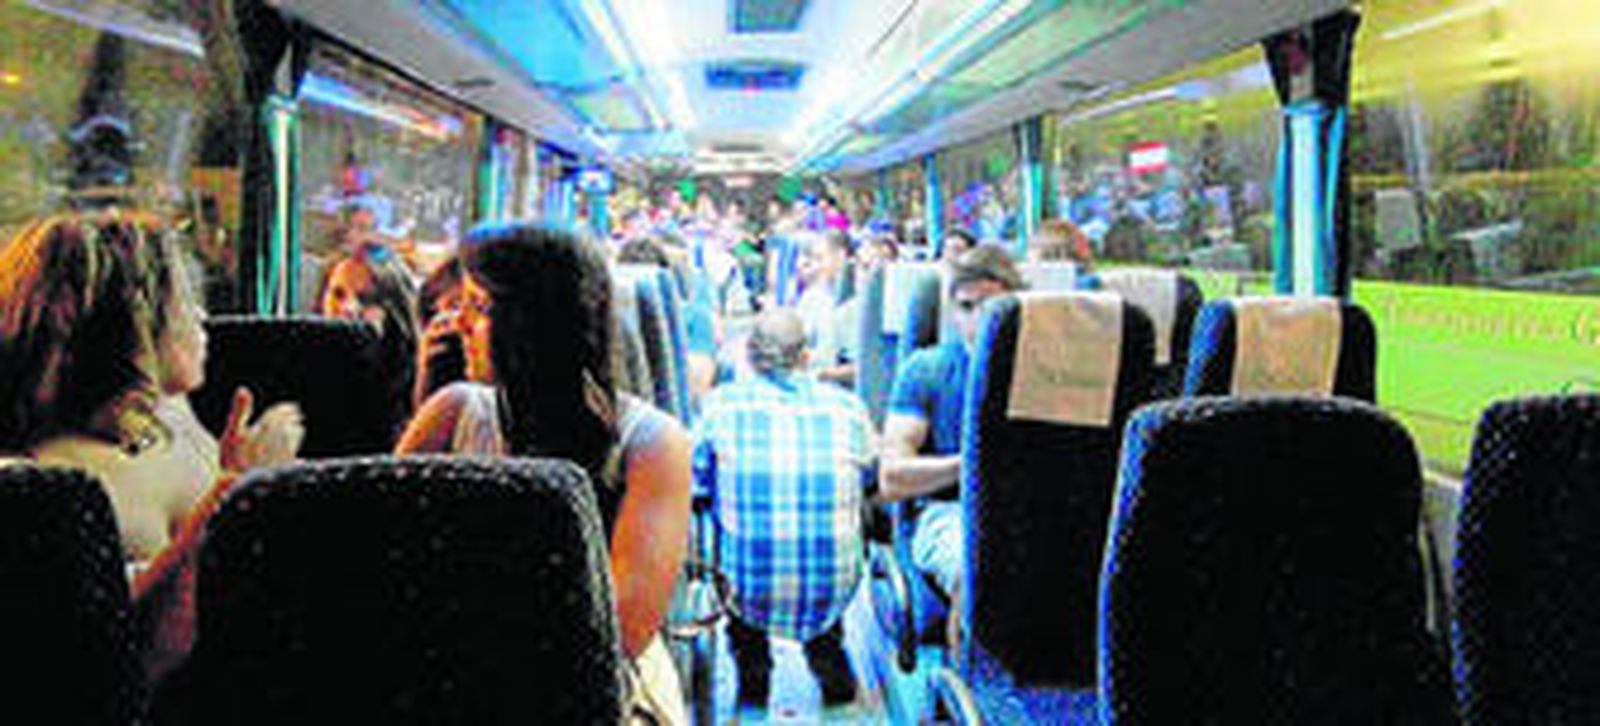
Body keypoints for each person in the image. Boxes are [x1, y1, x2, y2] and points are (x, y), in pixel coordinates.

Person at [395, 224, 691, 724]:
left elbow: (620, 632)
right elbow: (386, 553)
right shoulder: (452, 412)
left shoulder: (652, 444)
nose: (457, 323)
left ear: (537, 324)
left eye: (479, 307)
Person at [0, 212, 304, 676]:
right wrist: (240, 490)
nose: (202, 316)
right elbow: (136, 658)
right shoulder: (44, 487)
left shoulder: (167, 413)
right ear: (133, 324)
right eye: (184, 300)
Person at [692, 310, 874, 712]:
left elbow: (697, 483)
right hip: (835, 583)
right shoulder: (849, 407)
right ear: (806, 357)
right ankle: (834, 675)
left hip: (745, 584)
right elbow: (869, 478)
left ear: (749, 357)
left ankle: (753, 680)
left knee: (736, 546)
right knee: (824, 569)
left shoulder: (718, 406)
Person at [878, 245, 1023, 647]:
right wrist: (970, 464)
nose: (978, 320)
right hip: (948, 512)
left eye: (992, 309)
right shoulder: (928, 369)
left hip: (1028, 506)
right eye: (966, 307)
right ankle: (969, 671)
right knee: (973, 562)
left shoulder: (1047, 373)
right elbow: (892, 478)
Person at [318, 242, 421, 442]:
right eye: (338, 294)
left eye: (366, 299)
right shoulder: (306, 362)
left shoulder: (413, 377)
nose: (348, 309)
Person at [794, 230, 855, 387]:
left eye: (820, 259)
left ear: (840, 257)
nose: (814, 266)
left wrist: (821, 373)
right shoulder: (811, 297)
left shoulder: (850, 304)